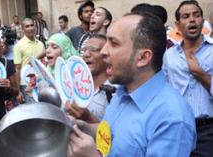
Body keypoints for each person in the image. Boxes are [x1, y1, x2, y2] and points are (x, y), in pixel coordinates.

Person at [67, 12, 196, 157]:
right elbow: (115, 135)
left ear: (142, 57)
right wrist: (82, 127)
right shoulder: (122, 92)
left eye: (114, 43)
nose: (103, 51)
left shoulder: (172, 119)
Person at [162, 1, 213, 156]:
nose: (192, 19)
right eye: (186, 16)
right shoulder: (169, 56)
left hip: (208, 130)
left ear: (202, 21)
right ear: (178, 25)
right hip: (177, 128)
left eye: (196, 15)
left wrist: (200, 73)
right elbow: (164, 91)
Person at [65, 34, 111, 123]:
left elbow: (113, 134)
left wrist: (88, 118)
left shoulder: (115, 93)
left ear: (107, 55)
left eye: (93, 49)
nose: (86, 54)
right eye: (84, 50)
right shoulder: (74, 86)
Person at [25, 33, 77, 101]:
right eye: (47, 47)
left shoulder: (74, 73)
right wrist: (33, 92)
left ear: (65, 50)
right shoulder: (47, 71)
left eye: (54, 47)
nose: (48, 51)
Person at [14, 18, 45, 103]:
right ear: (23, 29)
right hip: (27, 84)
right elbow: (17, 69)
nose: (30, 28)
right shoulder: (19, 46)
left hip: (41, 82)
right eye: (27, 26)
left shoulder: (41, 44)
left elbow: (44, 63)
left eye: (32, 25)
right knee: (33, 111)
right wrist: (18, 91)